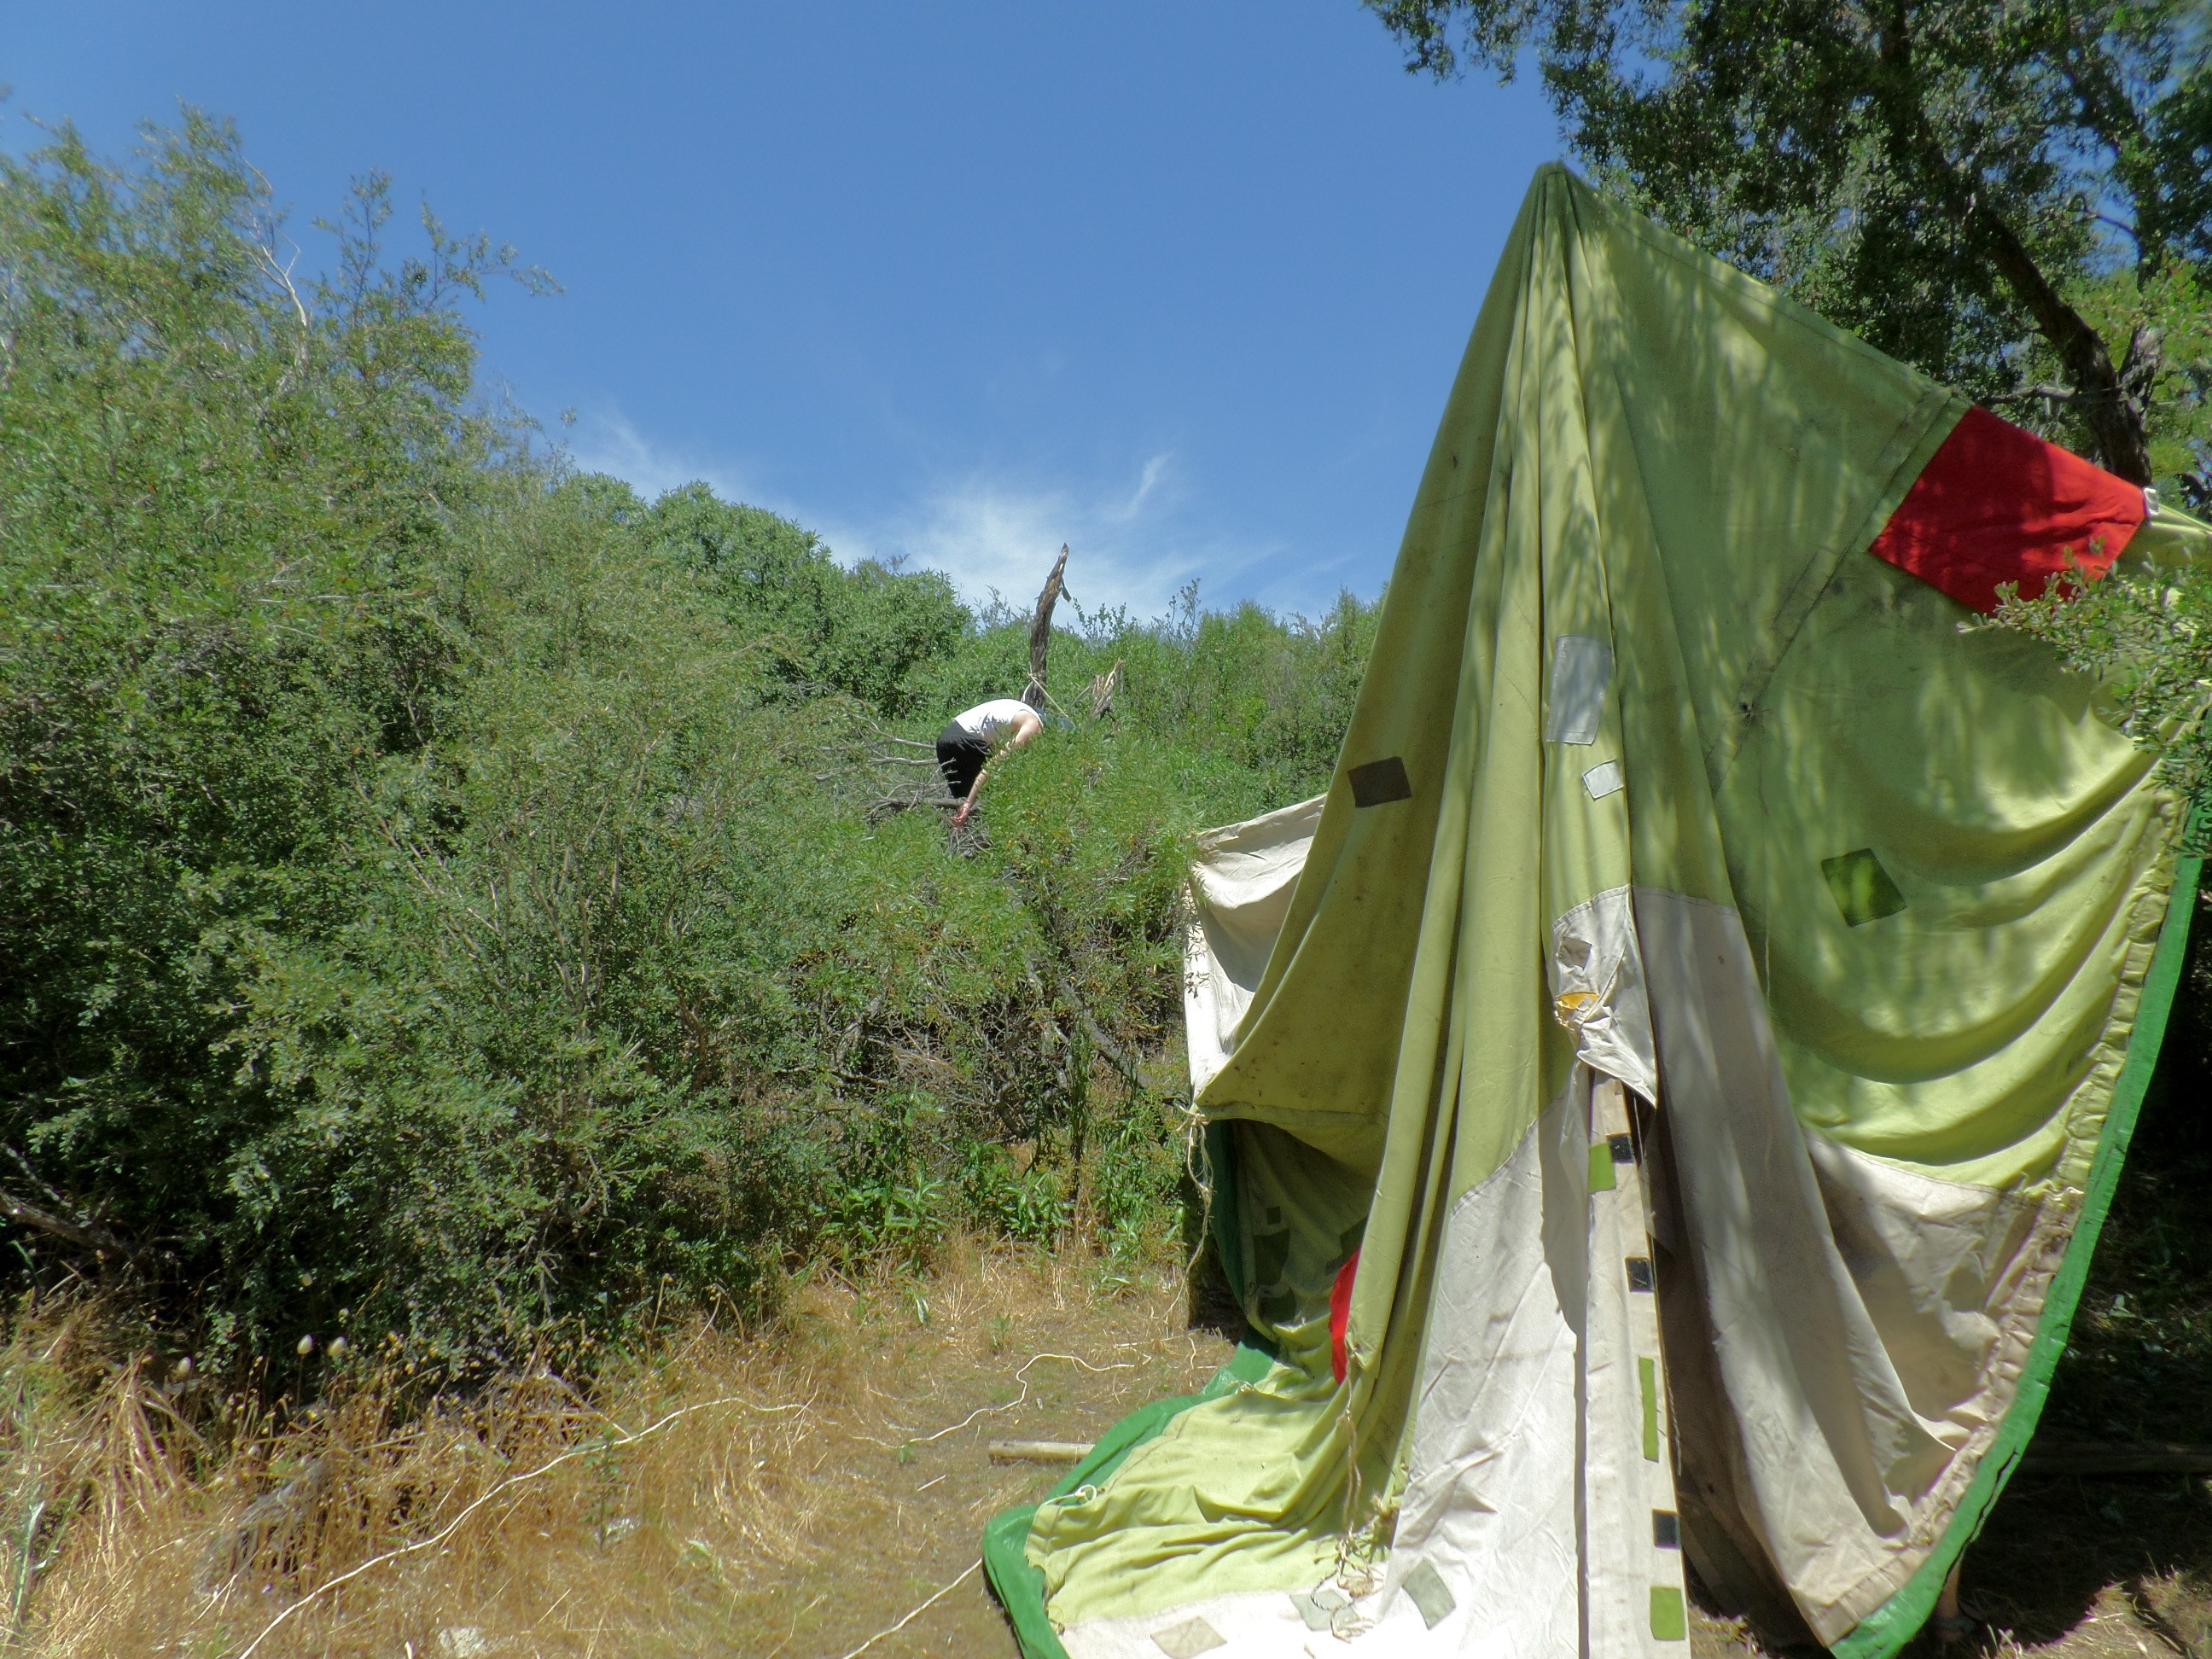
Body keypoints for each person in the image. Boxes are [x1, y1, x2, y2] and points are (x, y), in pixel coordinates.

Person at [936, 697, 1044, 826]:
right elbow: (992, 766)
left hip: (946, 740)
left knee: (969, 811)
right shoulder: (1032, 727)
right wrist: (969, 803)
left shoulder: (1021, 716)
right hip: (964, 741)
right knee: (991, 800)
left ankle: (965, 836)